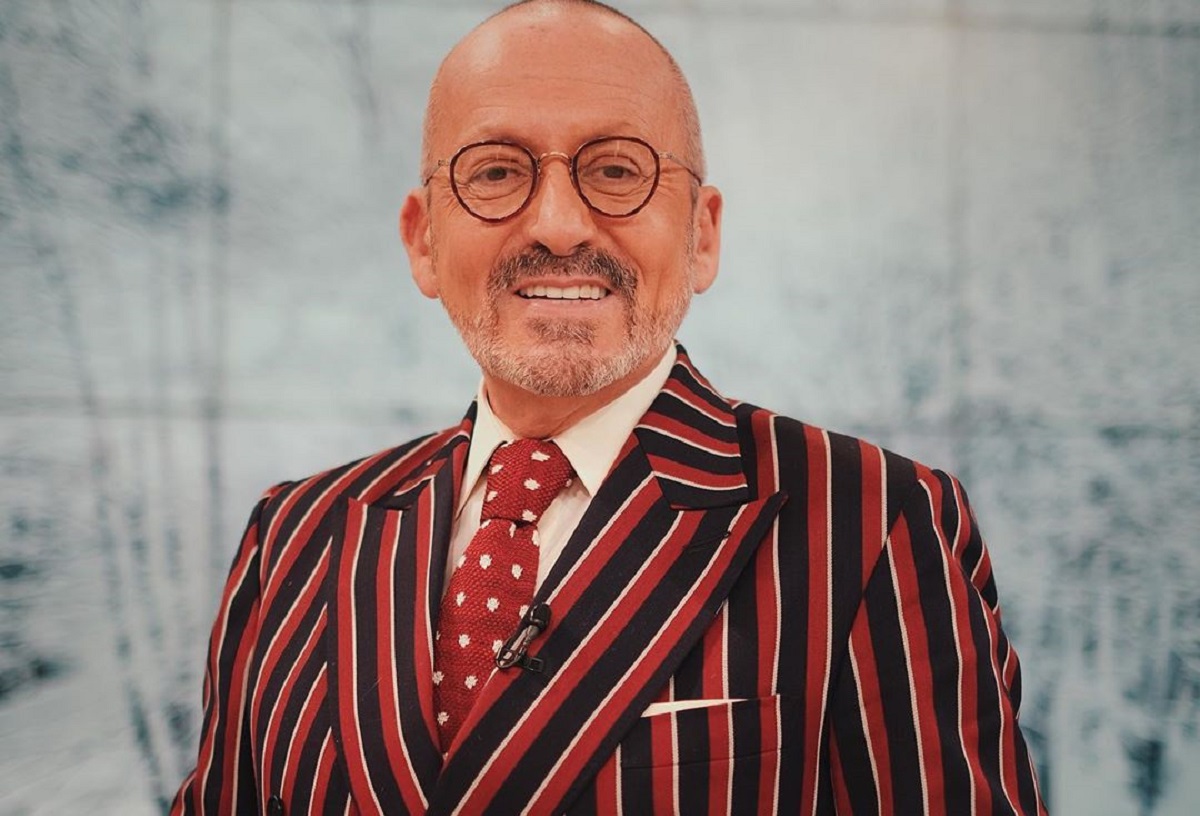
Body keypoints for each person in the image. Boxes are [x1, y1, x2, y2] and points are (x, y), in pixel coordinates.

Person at [172, 1, 1046, 813]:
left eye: (617, 169)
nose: (558, 225)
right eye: (496, 171)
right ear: (423, 239)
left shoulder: (868, 521)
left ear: (702, 234)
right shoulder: (295, 537)